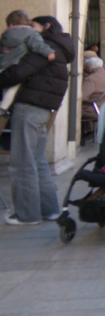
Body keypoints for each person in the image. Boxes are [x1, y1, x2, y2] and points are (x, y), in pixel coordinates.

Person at [0, 15, 74, 225]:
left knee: (22, 162)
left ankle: (27, 214)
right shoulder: (59, 47)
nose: (29, 30)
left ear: (47, 26)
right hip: (43, 108)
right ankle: (49, 210)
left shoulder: (44, 46)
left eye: (33, 26)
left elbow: (19, 72)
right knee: (38, 160)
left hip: (29, 106)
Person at [0, 10, 57, 111]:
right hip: (16, 63)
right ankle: (3, 107)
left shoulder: (6, 34)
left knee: (4, 84)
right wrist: (49, 52)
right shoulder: (31, 33)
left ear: (10, 23)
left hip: (3, 64)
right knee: (13, 87)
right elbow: (37, 45)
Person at [81, 55, 105, 120]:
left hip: (94, 110)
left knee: (72, 110)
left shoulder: (90, 79)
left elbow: (82, 97)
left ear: (89, 68)